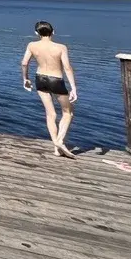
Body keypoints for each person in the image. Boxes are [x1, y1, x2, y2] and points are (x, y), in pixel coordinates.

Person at [21, 21, 78, 158]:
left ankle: (56, 149)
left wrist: (25, 79)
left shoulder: (32, 45)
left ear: (36, 33)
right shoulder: (60, 47)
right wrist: (73, 88)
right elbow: (67, 68)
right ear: (53, 32)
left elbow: (24, 63)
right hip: (56, 80)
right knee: (67, 113)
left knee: (50, 114)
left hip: (40, 79)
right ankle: (59, 141)